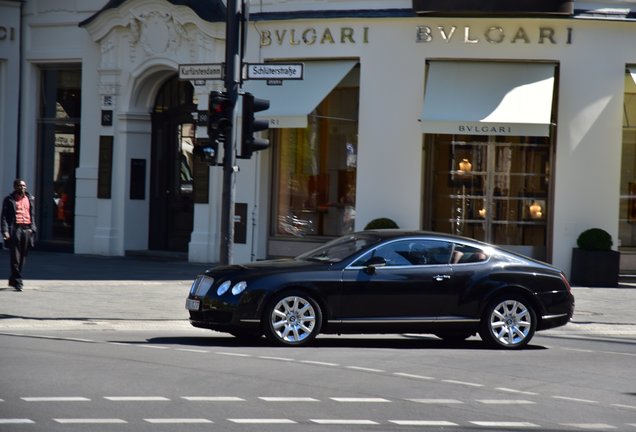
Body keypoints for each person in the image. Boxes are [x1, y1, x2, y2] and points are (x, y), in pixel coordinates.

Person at [1, 178, 37, 291]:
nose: (22, 187)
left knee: (23, 257)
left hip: (27, 230)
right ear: (15, 187)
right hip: (15, 229)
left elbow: (33, 215)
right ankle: (18, 282)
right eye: (20, 186)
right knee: (15, 258)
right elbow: (4, 217)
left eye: (24, 186)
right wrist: (5, 231)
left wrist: (33, 229)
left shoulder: (30, 199)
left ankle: (14, 278)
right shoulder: (9, 200)